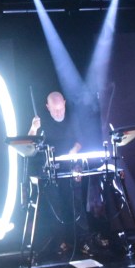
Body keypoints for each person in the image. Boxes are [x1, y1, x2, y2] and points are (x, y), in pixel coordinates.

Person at [27, 91, 83, 256]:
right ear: (48, 107)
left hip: (70, 167)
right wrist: (33, 128)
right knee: (55, 206)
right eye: (55, 110)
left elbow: (81, 139)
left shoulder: (72, 120)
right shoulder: (41, 123)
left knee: (74, 202)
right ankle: (60, 242)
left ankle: (81, 240)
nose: (58, 113)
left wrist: (74, 150)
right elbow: (29, 144)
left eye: (61, 109)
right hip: (49, 170)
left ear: (64, 103)